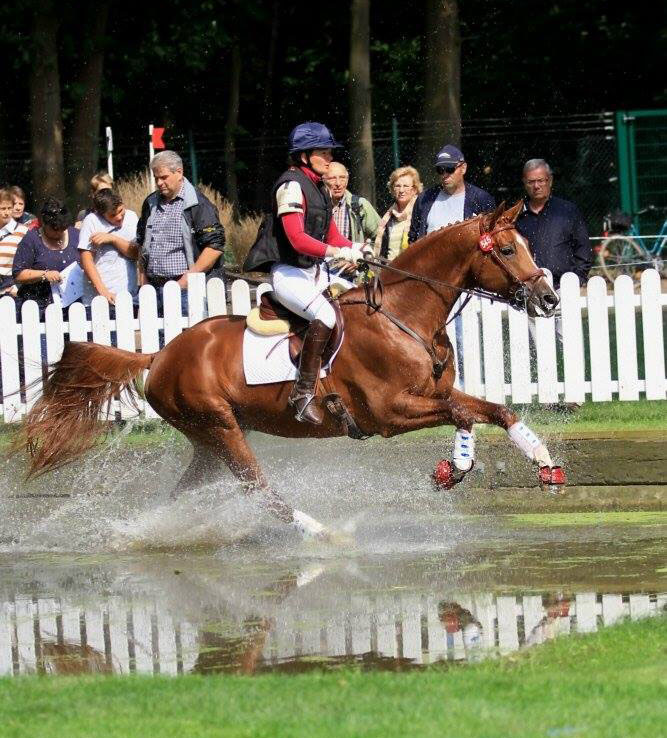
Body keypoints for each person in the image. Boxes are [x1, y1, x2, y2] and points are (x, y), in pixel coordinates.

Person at [243, 121, 372, 425]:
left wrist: (357, 247)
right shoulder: (290, 187)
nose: (329, 157)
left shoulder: (320, 189)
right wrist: (338, 253)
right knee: (325, 317)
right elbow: (297, 239)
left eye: (329, 151)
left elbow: (333, 237)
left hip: (312, 272)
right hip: (287, 273)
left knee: (358, 300)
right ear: (303, 156)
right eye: (323, 151)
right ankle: (302, 393)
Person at [134, 150, 225, 313]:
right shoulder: (150, 202)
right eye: (156, 178)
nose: (159, 183)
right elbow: (141, 242)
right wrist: (143, 279)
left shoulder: (199, 204)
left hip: (186, 290)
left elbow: (215, 246)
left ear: (179, 173)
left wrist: (184, 281)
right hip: (153, 289)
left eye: (163, 177)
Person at [516, 158, 592, 290]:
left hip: (565, 287)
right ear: (524, 183)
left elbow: (583, 248)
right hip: (528, 289)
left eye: (540, 180)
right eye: (531, 182)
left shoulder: (568, 211)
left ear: (550, 181)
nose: (536, 186)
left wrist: (578, 278)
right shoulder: (516, 215)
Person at [408, 144, 495, 243]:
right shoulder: (425, 198)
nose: (445, 175)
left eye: (450, 169)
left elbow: (491, 237)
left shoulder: (481, 199)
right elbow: (413, 238)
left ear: (463, 168)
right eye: (440, 170)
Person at [12, 197, 80, 315]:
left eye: (62, 229)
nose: (59, 233)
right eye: (54, 229)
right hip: (39, 309)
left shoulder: (76, 235)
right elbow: (18, 274)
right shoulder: (31, 240)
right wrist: (44, 275)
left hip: (74, 309)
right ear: (44, 223)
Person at [78, 188, 139, 308]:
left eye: (121, 211)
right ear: (101, 214)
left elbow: (136, 253)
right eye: (112, 215)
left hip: (129, 297)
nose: (119, 217)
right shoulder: (91, 221)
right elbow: (86, 261)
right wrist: (103, 291)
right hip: (98, 300)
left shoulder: (132, 217)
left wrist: (113, 239)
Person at [322, 162, 380, 243]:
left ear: (347, 180)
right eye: (332, 178)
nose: (338, 183)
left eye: (342, 178)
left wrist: (365, 251)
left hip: (353, 255)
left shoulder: (360, 205)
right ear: (323, 180)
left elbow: (380, 235)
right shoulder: (317, 205)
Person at [374, 166, 423, 260]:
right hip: (389, 269)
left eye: (406, 186)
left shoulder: (420, 215)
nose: (401, 190)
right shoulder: (388, 217)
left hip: (411, 270)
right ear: (392, 189)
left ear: (415, 189)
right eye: (397, 186)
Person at [0, 188, 30, 297]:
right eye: (2, 209)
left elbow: (29, 262)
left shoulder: (23, 232)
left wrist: (18, 286)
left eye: (9, 208)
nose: (6, 212)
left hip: (11, 289)